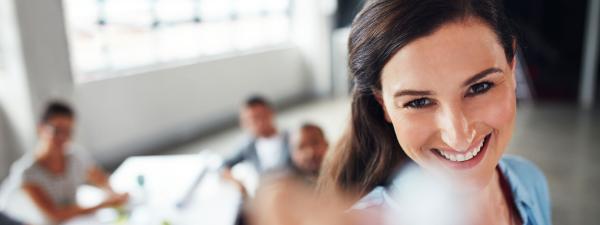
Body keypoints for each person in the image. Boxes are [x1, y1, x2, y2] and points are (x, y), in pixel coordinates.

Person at [318, 0, 552, 225]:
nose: (459, 136)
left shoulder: (529, 180)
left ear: (512, 69)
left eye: (480, 87)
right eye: (419, 102)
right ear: (383, 104)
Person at [20, 101, 128, 223]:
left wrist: (113, 193)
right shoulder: (27, 173)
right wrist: (103, 204)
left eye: (68, 131)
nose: (63, 137)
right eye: (57, 130)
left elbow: (100, 178)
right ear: (41, 128)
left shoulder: (76, 156)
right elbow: (56, 215)